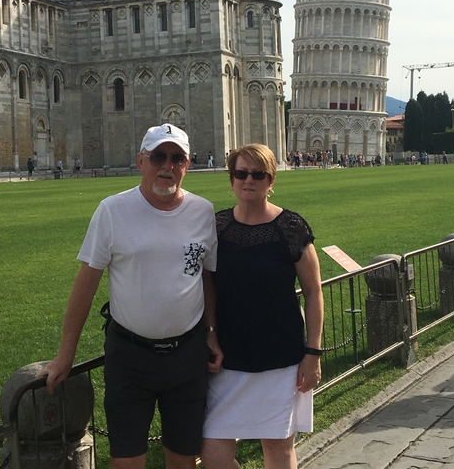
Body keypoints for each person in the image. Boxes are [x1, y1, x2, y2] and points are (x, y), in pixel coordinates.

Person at [41, 124, 223, 469]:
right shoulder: (113, 210)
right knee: (126, 462)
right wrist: (66, 354)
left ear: (187, 164)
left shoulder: (203, 211)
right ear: (142, 161)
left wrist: (212, 332)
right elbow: (86, 284)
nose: (167, 166)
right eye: (158, 156)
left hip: (187, 355)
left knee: (183, 459)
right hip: (130, 358)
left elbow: (206, 278)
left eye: (177, 158)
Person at [201, 143, 324, 469]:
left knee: (277, 449)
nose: (248, 180)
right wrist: (210, 333)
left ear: (271, 181)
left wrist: (313, 353)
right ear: (232, 180)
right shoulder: (217, 227)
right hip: (228, 356)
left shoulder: (291, 228)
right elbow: (208, 286)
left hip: (280, 356)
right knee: (213, 453)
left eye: (258, 174)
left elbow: (313, 291)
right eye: (241, 173)